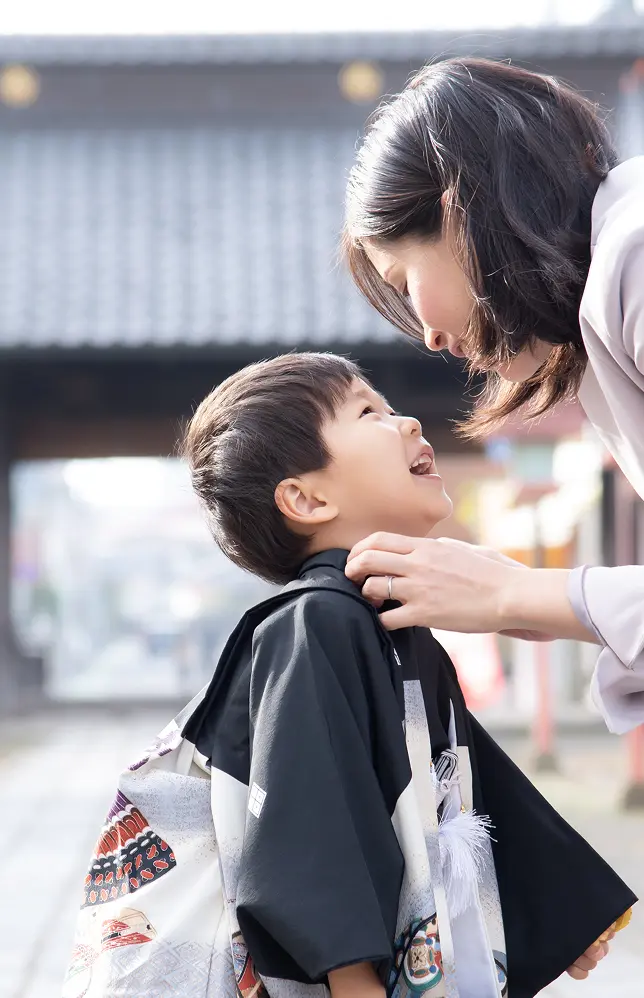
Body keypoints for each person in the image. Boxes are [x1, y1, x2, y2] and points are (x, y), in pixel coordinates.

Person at [63, 353, 634, 998]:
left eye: (391, 407)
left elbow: (465, 769)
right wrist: (352, 977)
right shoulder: (313, 622)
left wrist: (557, 902)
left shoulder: (389, 617)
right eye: (369, 412)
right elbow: (308, 816)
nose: (410, 423)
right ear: (306, 498)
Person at [342, 56, 644, 735]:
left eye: (401, 278)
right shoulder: (608, 296)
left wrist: (517, 593)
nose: (426, 335)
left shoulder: (636, 256)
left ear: (459, 213)